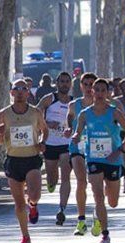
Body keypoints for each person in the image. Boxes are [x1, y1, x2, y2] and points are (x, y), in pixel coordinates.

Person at [72, 78, 125, 243]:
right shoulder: (84, 113)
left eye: (102, 90)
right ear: (91, 92)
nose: (99, 94)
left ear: (108, 93)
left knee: (112, 202)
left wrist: (120, 149)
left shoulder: (114, 112)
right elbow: (77, 133)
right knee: (98, 195)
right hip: (94, 158)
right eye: (96, 90)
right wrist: (75, 136)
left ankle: (100, 212)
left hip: (113, 159)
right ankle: (105, 235)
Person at [0, 79, 48, 243]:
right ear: (11, 93)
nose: (19, 92)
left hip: (32, 158)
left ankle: (33, 205)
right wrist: (0, 134)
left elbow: (44, 131)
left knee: (35, 194)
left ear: (28, 92)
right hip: (13, 159)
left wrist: (42, 142)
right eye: (16, 89)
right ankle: (25, 236)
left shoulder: (36, 112)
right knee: (18, 204)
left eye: (23, 89)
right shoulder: (4, 113)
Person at [37, 72, 73, 226]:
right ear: (57, 83)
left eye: (67, 81)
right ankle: (51, 183)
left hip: (67, 143)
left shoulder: (73, 102)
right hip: (50, 143)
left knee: (66, 175)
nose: (64, 84)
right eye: (62, 81)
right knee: (52, 177)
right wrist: (46, 123)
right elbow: (35, 113)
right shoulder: (49, 99)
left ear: (71, 84)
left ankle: (61, 209)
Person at [65, 73, 97, 235]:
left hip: (98, 149)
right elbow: (69, 119)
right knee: (81, 182)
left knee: (96, 183)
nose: (89, 87)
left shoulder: (104, 106)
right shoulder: (73, 105)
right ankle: (81, 220)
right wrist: (69, 129)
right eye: (86, 84)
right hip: (78, 147)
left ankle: (98, 216)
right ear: (81, 86)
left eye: (92, 84)